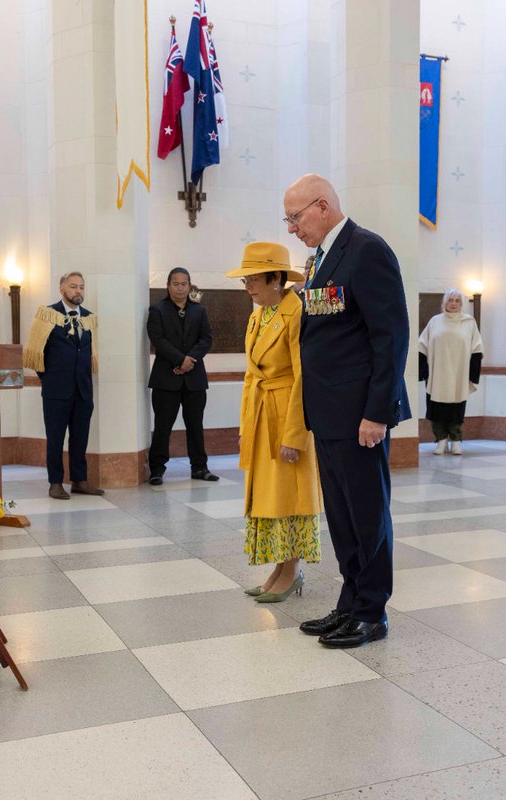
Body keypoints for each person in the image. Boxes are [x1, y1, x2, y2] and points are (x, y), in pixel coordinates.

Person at [284, 173, 411, 648]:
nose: (292, 228)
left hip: (361, 415)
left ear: (321, 206)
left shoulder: (366, 250)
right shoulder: (319, 259)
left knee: (367, 513)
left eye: (295, 218)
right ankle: (350, 601)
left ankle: (372, 611)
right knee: (340, 514)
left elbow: (390, 337)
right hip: (329, 412)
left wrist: (377, 412)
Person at [226, 242, 322, 603]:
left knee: (289, 497)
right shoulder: (258, 315)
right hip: (261, 415)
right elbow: (252, 376)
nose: (248, 286)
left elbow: (303, 377)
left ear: (277, 278)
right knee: (269, 498)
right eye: (245, 280)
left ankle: (292, 571)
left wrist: (295, 434)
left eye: (253, 279)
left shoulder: (296, 313)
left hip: (286, 416)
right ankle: (279, 568)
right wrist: (244, 426)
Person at [23, 271, 104, 499]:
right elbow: (35, 352)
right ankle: (55, 483)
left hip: (83, 390)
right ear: (62, 289)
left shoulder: (89, 317)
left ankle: (79, 480)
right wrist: (48, 379)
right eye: (73, 286)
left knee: (80, 438)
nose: (78, 291)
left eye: (81, 287)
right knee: (56, 438)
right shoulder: (48, 315)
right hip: (56, 391)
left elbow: (89, 353)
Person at [146, 268, 217, 486]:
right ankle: (157, 469)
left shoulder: (199, 310)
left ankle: (199, 467)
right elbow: (157, 339)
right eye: (175, 283)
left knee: (195, 425)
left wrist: (189, 362)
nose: (180, 287)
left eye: (184, 284)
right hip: (165, 380)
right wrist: (179, 361)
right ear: (168, 286)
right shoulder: (157, 310)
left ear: (189, 286)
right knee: (163, 427)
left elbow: (206, 339)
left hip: (194, 379)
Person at [418, 289, 483, 455]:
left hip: (458, 374)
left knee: (456, 408)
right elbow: (422, 346)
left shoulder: (469, 323)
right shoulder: (435, 321)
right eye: (450, 300)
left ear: (461, 304)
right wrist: (423, 371)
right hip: (437, 373)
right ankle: (440, 440)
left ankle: (455, 440)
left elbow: (476, 348)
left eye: (457, 300)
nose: (453, 303)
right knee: (437, 408)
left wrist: (473, 374)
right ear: (444, 303)